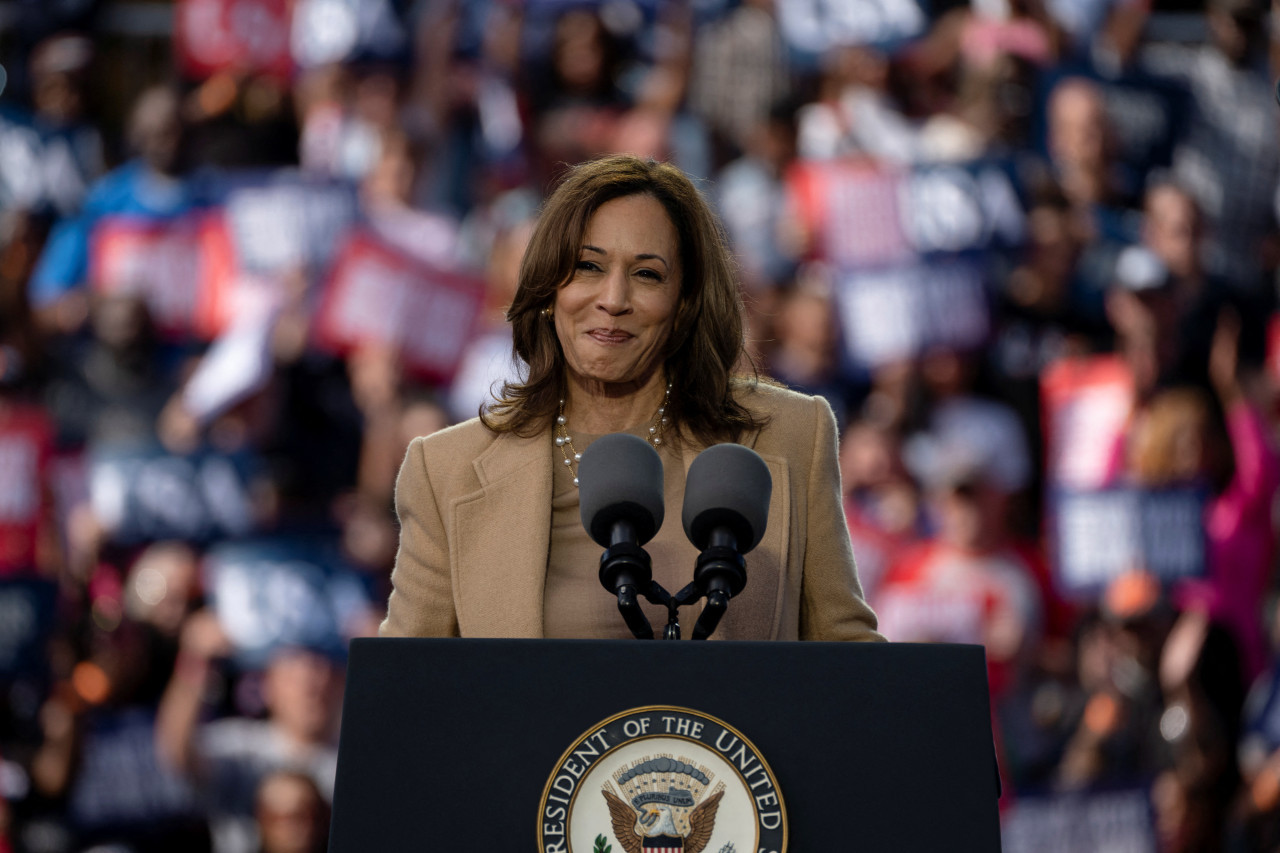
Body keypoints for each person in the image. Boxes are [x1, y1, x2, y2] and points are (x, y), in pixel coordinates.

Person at [379, 154, 882, 642]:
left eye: (647, 274)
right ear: (549, 289)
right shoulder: (445, 471)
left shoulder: (793, 435)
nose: (614, 300)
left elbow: (848, 662)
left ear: (686, 303)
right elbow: (408, 691)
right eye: (588, 267)